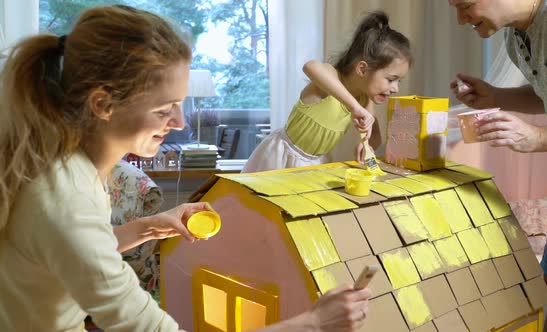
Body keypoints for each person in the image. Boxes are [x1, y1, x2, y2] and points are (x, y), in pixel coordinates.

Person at [0, 5, 371, 332]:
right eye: (164, 110)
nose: (179, 122)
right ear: (103, 104)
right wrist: (314, 323)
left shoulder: (72, 168)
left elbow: (72, 252)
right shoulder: (66, 197)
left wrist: (147, 227)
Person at [448, 0, 547, 330]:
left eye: (465, 5)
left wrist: (539, 138)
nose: (460, 20)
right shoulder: (515, 38)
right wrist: (497, 97)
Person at [242, 10, 411, 173]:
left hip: (315, 164)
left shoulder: (364, 100)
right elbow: (310, 66)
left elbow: (375, 137)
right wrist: (355, 108)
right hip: (281, 158)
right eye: (390, 79)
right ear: (362, 69)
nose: (395, 88)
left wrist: (368, 145)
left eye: (399, 81)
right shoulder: (331, 78)